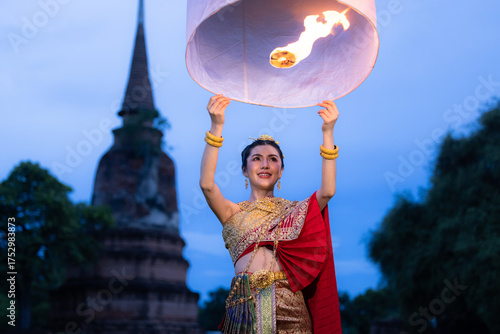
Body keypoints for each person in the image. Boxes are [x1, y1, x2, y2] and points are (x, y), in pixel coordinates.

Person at [200, 94, 342, 334]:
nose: (265, 164)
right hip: (246, 307)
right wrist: (216, 126)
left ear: (281, 171)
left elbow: (327, 191)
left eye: (272, 159)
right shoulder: (232, 212)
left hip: (291, 309)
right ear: (245, 170)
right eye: (256, 159)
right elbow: (207, 185)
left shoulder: (295, 211)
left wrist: (328, 131)